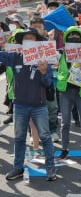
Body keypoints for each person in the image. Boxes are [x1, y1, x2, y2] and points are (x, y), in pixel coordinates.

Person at [0, 28, 56, 181]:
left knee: (45, 137)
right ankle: (17, 168)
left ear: (37, 42)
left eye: (31, 39)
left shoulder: (44, 60)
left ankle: (50, 168)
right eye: (25, 39)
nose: (28, 42)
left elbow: (48, 83)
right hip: (19, 105)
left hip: (39, 106)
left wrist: (44, 72)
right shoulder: (15, 57)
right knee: (19, 138)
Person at [56, 26, 81, 161]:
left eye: (76, 36)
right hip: (66, 91)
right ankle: (64, 149)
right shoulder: (62, 53)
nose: (73, 38)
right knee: (65, 123)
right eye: (70, 36)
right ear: (66, 39)